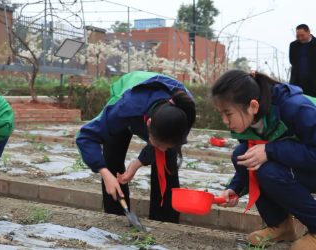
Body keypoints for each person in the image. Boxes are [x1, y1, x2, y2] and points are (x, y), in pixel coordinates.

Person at [212, 69, 316, 250]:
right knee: (241, 155)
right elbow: (251, 155)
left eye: (228, 114)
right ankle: (280, 226)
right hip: (299, 165)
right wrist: (234, 188)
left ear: (253, 106)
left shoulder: (295, 108)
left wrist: (271, 150)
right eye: (221, 114)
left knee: (269, 171)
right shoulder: (247, 121)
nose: (225, 121)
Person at [76, 71, 196, 223]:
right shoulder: (125, 107)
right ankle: (116, 214)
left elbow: (165, 145)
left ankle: (164, 220)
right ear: (149, 123)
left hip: (161, 113)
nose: (162, 148)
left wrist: (138, 163)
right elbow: (86, 136)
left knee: (166, 160)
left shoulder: (183, 114)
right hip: (131, 99)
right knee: (112, 158)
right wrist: (105, 173)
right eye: (158, 144)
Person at [289, 24, 316, 97]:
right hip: (297, 82)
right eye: (298, 36)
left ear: (308, 32)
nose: (300, 38)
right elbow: (292, 61)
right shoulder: (293, 45)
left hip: (313, 83)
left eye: (302, 35)